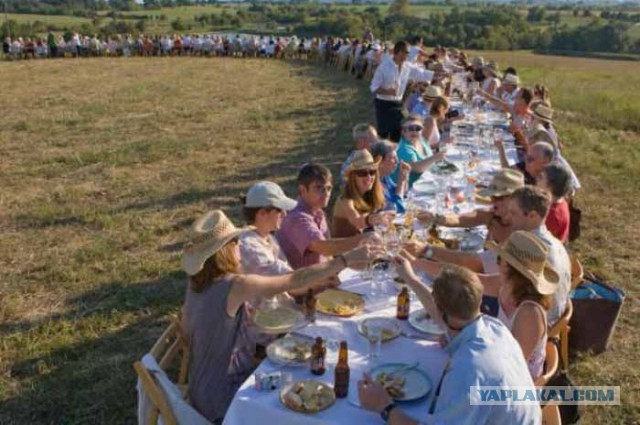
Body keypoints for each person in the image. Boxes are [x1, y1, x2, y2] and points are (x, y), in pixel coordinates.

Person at [181, 209, 381, 423]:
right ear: (224, 251)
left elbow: (188, 333)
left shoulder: (195, 285)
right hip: (227, 402)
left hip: (200, 391)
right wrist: (345, 260)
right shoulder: (236, 285)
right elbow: (293, 280)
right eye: (235, 240)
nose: (240, 244)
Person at [358, 263, 541, 424]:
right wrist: (411, 279)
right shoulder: (494, 328)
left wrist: (384, 406)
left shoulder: (468, 368)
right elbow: (444, 316)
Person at [277, 163, 372, 270]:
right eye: (319, 188)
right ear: (303, 190)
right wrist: (365, 239)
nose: (326, 193)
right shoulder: (296, 218)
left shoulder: (319, 212)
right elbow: (324, 247)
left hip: (325, 276)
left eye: (328, 188)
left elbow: (328, 256)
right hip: (305, 283)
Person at [490, 231, 558, 379]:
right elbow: (471, 280)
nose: (497, 262)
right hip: (500, 368)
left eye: (499, 258)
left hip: (516, 391)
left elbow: (511, 368)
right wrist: (427, 260)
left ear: (508, 267)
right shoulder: (507, 286)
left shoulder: (530, 314)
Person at [508, 186, 571, 325]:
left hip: (536, 325)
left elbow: (501, 285)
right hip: (553, 315)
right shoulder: (554, 242)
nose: (508, 218)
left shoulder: (529, 250)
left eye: (513, 213)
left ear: (532, 216)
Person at [417, 169, 524, 248]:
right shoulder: (491, 215)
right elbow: (460, 219)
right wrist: (435, 218)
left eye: (498, 197)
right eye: (492, 196)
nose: (492, 201)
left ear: (514, 199)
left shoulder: (524, 227)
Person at [370, 40, 435, 142]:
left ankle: (396, 155)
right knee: (383, 135)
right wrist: (388, 92)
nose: (409, 55)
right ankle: (381, 155)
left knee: (399, 132)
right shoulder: (384, 67)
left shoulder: (407, 66)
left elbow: (422, 74)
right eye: (407, 52)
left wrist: (439, 74)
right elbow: (373, 88)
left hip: (398, 104)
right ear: (399, 52)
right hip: (383, 105)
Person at [332, 150, 388, 238]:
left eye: (372, 172)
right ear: (353, 177)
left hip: (364, 246)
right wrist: (372, 218)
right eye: (362, 173)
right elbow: (357, 221)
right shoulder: (345, 200)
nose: (369, 177)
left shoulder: (369, 196)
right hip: (345, 249)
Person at [391, 114, 445, 187]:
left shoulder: (421, 140)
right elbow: (417, 168)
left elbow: (429, 156)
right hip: (410, 190)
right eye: (410, 128)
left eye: (418, 128)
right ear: (403, 131)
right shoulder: (404, 148)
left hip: (425, 183)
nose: (414, 131)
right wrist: (435, 157)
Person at [370, 139, 411, 213]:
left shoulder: (384, 177)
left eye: (396, 157)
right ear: (380, 161)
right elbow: (396, 209)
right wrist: (401, 182)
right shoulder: (372, 183)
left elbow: (402, 193)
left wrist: (405, 177)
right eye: (393, 157)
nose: (397, 161)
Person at [537, 163, 572, 243]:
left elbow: (540, 242)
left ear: (551, 185)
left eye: (541, 177)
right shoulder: (560, 201)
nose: (537, 179)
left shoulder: (552, 215)